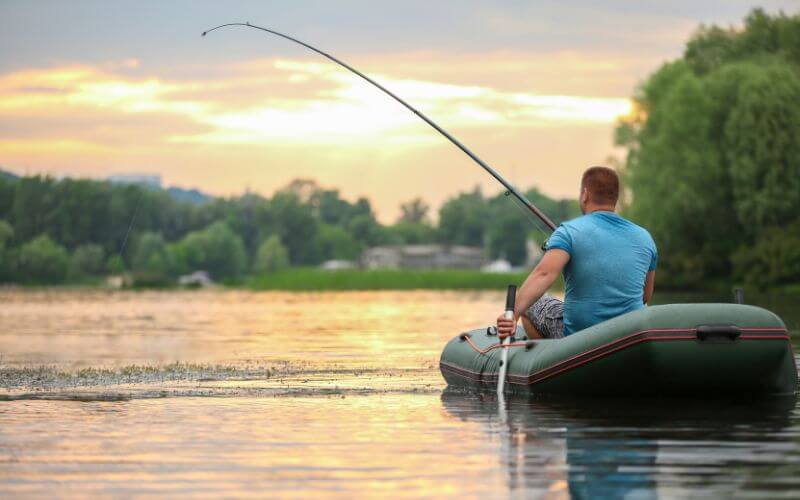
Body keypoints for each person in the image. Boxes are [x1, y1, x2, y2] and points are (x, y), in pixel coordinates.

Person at [497, 166, 657, 340]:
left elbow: (543, 274)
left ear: (585, 194)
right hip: (629, 336)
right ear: (615, 198)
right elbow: (645, 296)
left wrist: (513, 315)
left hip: (579, 339)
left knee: (532, 304)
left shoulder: (568, 232)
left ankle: (551, 359)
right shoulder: (645, 237)